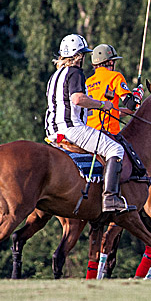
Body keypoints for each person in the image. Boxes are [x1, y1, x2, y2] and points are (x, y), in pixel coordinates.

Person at [45, 34, 132, 213]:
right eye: (83, 55)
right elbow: (77, 99)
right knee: (116, 149)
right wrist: (102, 104)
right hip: (72, 128)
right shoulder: (75, 72)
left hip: (51, 130)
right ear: (79, 55)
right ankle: (110, 198)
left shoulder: (55, 76)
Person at [85, 44, 138, 136]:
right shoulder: (114, 77)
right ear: (109, 62)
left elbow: (109, 111)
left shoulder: (87, 82)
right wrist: (137, 96)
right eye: (114, 61)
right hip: (108, 134)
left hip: (88, 134)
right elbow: (132, 104)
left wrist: (129, 111)